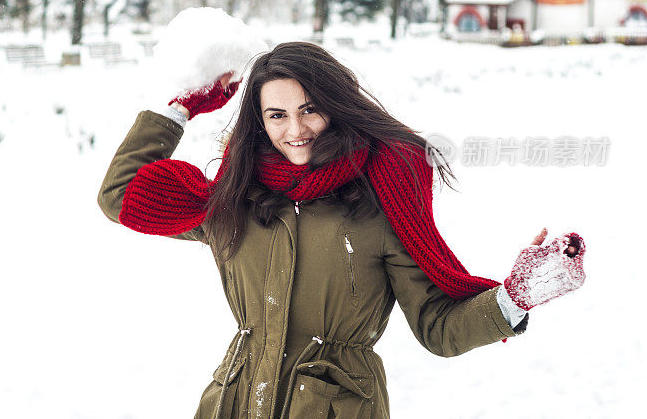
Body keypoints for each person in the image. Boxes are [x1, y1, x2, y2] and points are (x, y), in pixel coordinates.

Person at [98, 41, 586, 419]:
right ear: (259, 122)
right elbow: (120, 196)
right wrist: (176, 109)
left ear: (335, 105)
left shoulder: (381, 203)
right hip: (235, 401)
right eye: (277, 115)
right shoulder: (233, 201)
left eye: (309, 108)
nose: (296, 129)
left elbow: (438, 327)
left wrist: (513, 299)